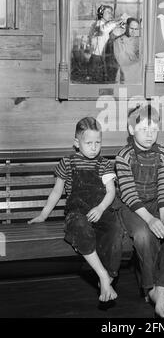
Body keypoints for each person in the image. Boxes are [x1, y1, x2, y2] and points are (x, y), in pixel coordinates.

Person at [28, 117, 123, 303]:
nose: (94, 147)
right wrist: (43, 214)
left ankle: (109, 275)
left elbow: (111, 192)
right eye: (88, 143)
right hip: (77, 212)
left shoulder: (104, 164)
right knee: (80, 227)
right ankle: (102, 275)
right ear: (76, 143)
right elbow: (56, 192)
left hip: (100, 209)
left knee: (116, 229)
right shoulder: (67, 162)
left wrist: (101, 207)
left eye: (98, 142)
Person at [115, 104, 164, 318]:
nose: (149, 134)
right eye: (143, 128)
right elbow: (129, 194)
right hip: (133, 207)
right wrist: (150, 221)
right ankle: (150, 288)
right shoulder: (124, 157)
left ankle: (162, 289)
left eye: (154, 128)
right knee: (143, 235)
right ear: (131, 130)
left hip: (158, 204)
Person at [87, 5, 125, 83]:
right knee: (96, 82)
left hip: (102, 57)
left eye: (111, 13)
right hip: (96, 58)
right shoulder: (98, 24)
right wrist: (118, 21)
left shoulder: (105, 25)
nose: (110, 15)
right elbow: (104, 29)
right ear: (101, 14)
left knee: (103, 80)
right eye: (108, 12)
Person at [113, 17, 141, 84]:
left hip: (137, 77)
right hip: (124, 77)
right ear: (126, 26)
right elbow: (122, 60)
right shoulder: (118, 41)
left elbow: (143, 58)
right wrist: (136, 57)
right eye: (131, 28)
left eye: (136, 29)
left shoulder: (140, 41)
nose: (133, 31)